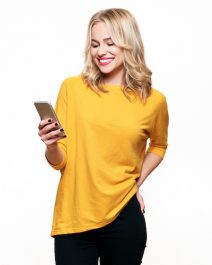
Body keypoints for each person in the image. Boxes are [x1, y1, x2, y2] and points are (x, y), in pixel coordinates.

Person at [38, 8, 169, 265]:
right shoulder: (72, 89)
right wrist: (51, 144)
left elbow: (159, 145)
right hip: (74, 218)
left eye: (110, 43)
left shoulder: (153, 101)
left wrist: (134, 183)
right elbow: (59, 162)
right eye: (95, 44)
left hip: (124, 218)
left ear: (128, 43)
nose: (101, 51)